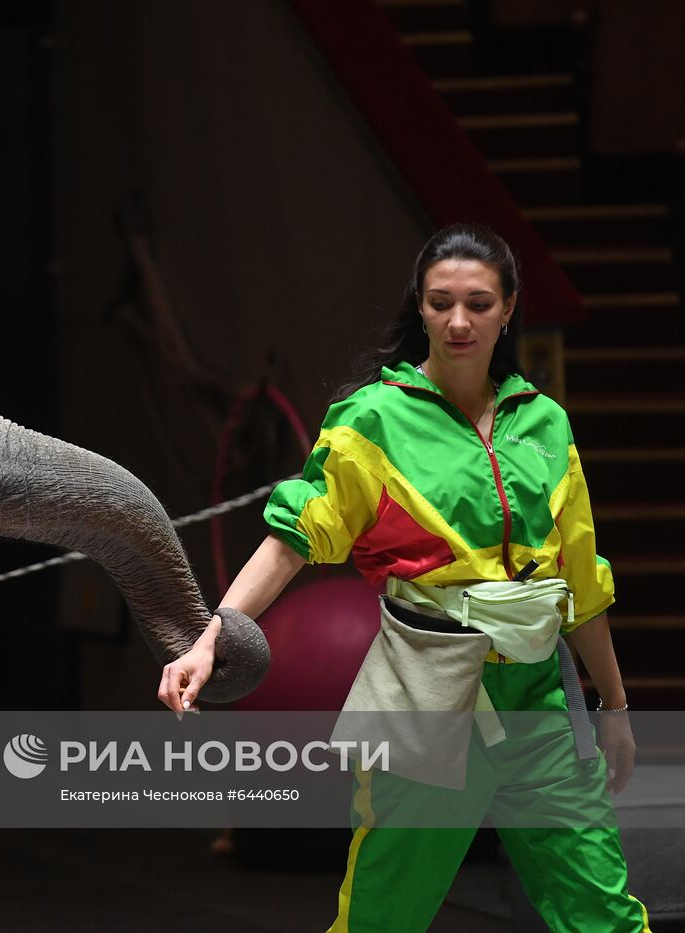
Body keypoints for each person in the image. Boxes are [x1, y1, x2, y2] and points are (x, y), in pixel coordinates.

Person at [158, 225, 651, 932]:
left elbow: (581, 577)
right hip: (432, 693)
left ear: (508, 308)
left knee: (602, 913)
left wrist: (615, 704)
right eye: (440, 301)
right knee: (382, 918)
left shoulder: (545, 423)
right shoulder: (375, 419)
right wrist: (212, 639)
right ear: (418, 308)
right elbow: (293, 537)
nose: (458, 320)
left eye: (478, 303)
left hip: (539, 698)